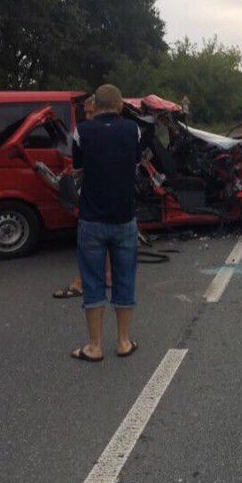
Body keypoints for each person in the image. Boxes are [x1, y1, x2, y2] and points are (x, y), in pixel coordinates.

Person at [70, 84, 142, 362]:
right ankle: (123, 341)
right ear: (120, 105)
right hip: (124, 219)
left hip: (91, 220)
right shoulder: (132, 130)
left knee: (92, 281)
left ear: (95, 106)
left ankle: (94, 346)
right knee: (125, 279)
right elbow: (136, 164)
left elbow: (78, 169)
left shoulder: (82, 131)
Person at [53, 96, 112, 298]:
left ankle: (83, 283)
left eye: (91, 112)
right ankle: (108, 276)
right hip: (110, 198)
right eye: (85, 112)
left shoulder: (89, 134)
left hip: (94, 199)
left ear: (102, 110)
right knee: (107, 239)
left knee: (89, 242)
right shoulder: (113, 132)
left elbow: (81, 167)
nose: (87, 117)